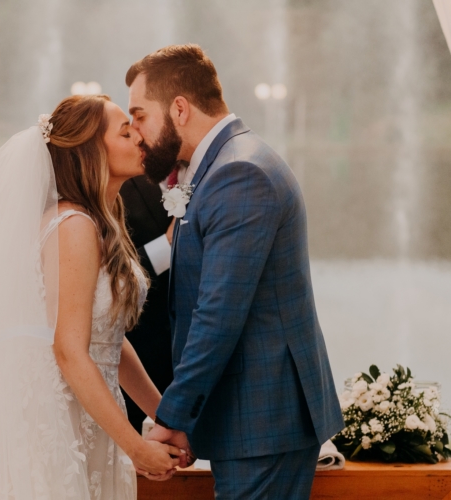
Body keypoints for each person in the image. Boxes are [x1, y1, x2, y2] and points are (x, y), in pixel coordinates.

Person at [0, 95, 181, 500]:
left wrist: (166, 415)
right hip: (57, 422)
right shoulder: (74, 226)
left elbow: (110, 341)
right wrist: (135, 448)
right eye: (125, 131)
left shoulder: (101, 221)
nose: (140, 137)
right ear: (90, 150)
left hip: (92, 415)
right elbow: (68, 350)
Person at [128, 44, 345, 499]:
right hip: (250, 419)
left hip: (262, 421)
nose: (136, 131)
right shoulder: (222, 165)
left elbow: (217, 317)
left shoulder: (238, 172)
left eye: (140, 115)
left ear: (180, 109)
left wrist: (172, 418)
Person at [119, 175, 175, 433]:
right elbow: (111, 276)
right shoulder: (118, 183)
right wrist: (168, 245)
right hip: (140, 356)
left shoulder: (208, 175)